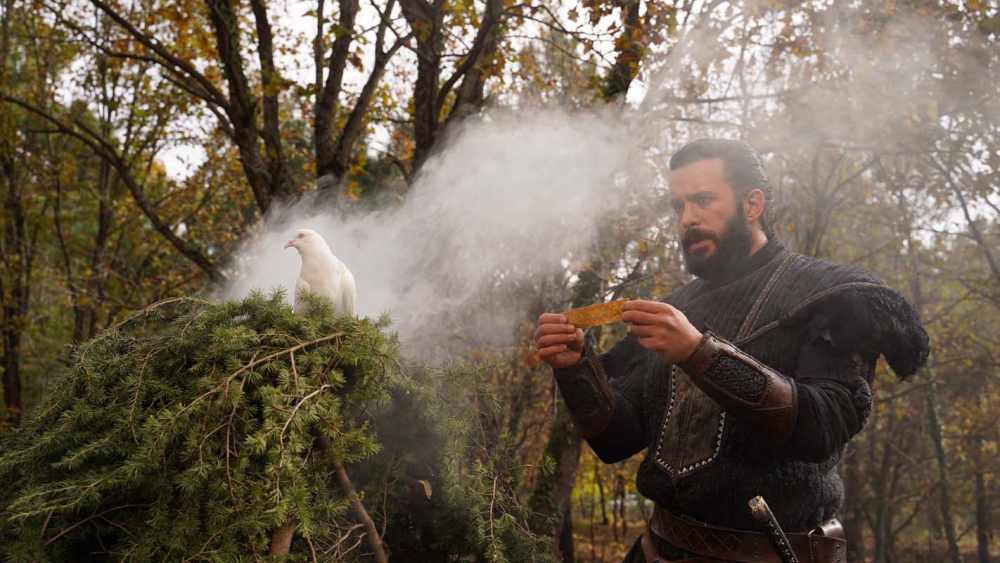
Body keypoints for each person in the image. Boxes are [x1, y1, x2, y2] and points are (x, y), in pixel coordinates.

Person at [534, 138, 929, 563]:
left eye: (702, 200)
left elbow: (823, 427)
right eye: (678, 207)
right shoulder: (675, 307)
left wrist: (697, 352)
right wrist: (576, 367)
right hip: (655, 551)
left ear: (752, 204)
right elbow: (616, 440)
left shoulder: (831, 294)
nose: (688, 219)